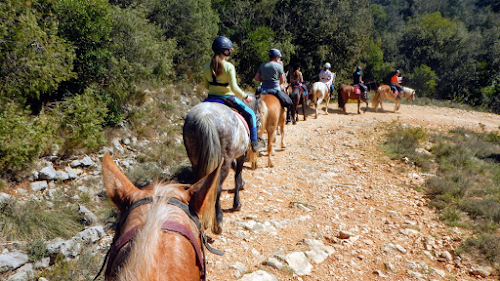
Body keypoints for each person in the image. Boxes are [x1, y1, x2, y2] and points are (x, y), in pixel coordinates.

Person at [204, 36, 264, 152]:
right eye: (228, 50)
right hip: (227, 98)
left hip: (211, 98)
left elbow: (207, 86)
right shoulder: (229, 66)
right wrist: (245, 96)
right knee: (251, 114)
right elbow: (234, 88)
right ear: (224, 51)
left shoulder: (206, 66)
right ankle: (254, 143)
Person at [254, 48, 293, 123]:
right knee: (289, 102)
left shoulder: (263, 65)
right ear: (277, 57)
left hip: (263, 89)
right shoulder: (278, 66)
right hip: (275, 89)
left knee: (255, 102)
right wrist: (278, 83)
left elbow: (256, 77)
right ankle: (288, 117)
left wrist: (263, 80)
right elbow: (282, 79)